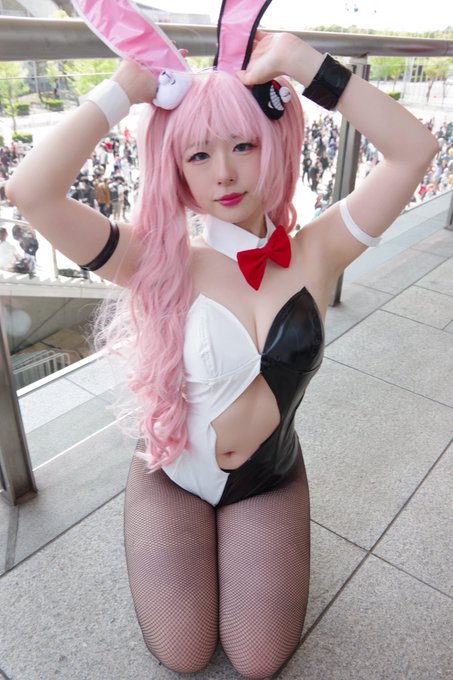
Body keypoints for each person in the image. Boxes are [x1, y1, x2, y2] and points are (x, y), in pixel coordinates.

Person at [5, 29, 438, 679]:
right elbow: (31, 192)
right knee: (182, 653)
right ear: (175, 167)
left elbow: (414, 151)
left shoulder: (318, 251)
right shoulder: (155, 259)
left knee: (259, 660)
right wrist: (120, 92)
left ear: (275, 143)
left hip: (267, 476)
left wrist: (301, 62)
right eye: (199, 154)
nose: (225, 173)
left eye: (243, 145)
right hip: (171, 475)